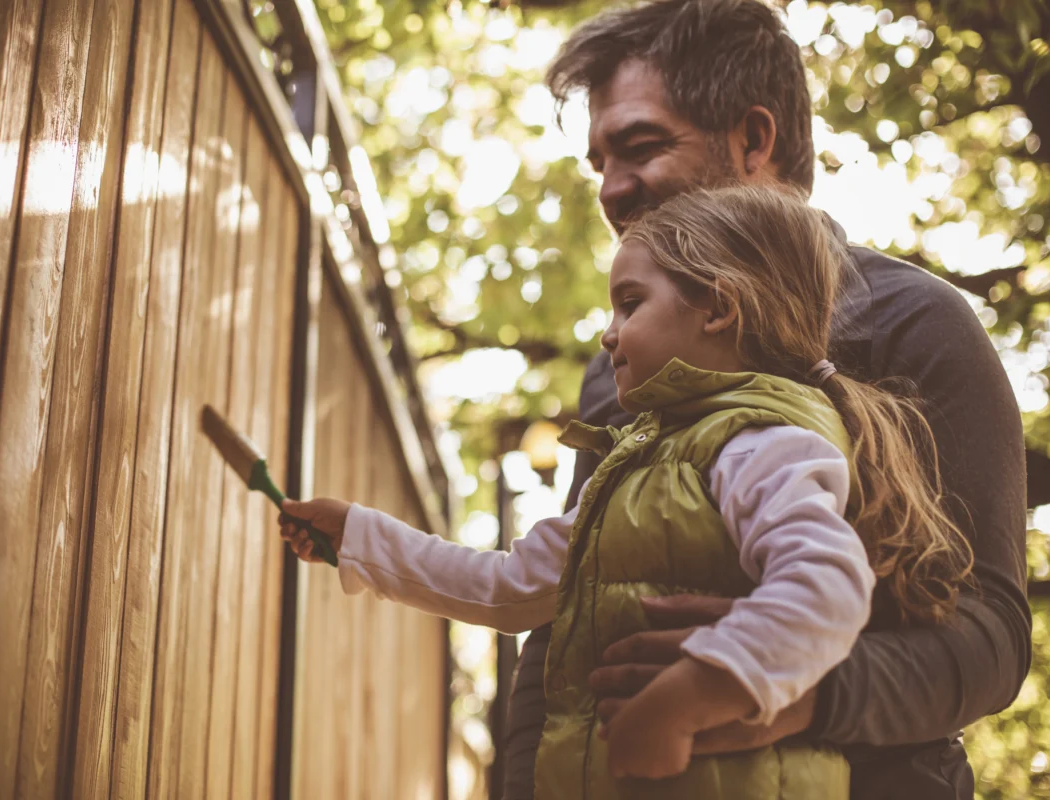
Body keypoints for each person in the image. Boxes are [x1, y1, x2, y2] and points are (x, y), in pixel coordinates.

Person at [279, 185, 975, 799]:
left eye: (630, 303)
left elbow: (825, 584)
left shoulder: (762, 444)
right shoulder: (638, 464)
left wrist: (688, 697)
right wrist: (363, 539)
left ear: (719, 308)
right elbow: (511, 586)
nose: (609, 335)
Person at [501, 2, 1028, 798]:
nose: (611, 189)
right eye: (599, 161)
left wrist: (794, 692)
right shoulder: (617, 373)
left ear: (754, 139)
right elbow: (557, 621)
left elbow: (991, 638)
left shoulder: (921, 327)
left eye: (640, 146)